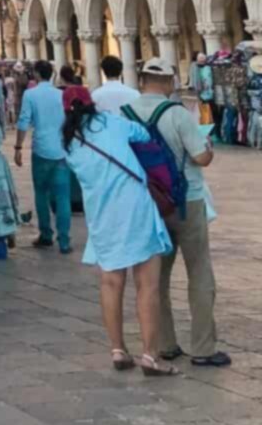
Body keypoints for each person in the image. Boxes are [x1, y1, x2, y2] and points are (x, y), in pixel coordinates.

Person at [61, 85, 175, 375]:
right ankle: (150, 355)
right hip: (134, 207)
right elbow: (143, 135)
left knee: (111, 282)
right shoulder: (111, 122)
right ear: (91, 103)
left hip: (101, 214)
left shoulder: (69, 142)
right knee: (147, 284)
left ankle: (118, 350)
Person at [131, 58, 230, 367]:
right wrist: (209, 148)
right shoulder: (177, 114)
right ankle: (202, 348)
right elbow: (201, 158)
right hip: (187, 201)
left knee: (155, 275)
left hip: (149, 203)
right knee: (199, 271)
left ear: (142, 80)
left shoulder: (125, 114)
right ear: (170, 82)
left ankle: (164, 343)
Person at [14, 60, 72, 253]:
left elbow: (23, 122)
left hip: (41, 150)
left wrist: (18, 146)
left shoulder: (30, 94)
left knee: (41, 193)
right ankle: (64, 240)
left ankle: (46, 234)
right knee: (63, 196)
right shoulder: (61, 94)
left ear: (37, 74)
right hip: (61, 150)